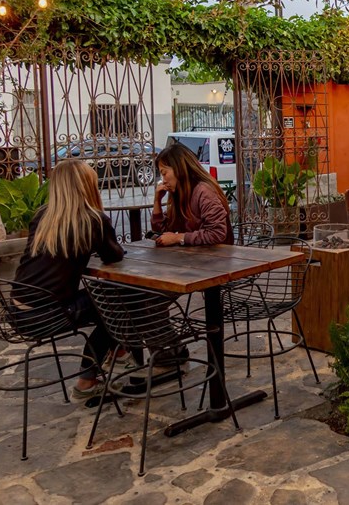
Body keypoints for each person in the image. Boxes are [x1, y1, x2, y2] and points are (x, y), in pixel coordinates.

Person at [12, 159, 125, 400]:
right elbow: (114, 256)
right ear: (86, 186)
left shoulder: (42, 215)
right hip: (48, 314)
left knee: (105, 298)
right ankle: (88, 380)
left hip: (16, 312)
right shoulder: (93, 220)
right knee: (116, 304)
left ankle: (119, 351)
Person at [151, 143, 233, 247]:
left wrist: (179, 238)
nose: (163, 180)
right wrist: (157, 201)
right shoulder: (180, 193)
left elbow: (217, 233)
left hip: (216, 257)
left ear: (178, 168)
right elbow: (163, 235)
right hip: (192, 257)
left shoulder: (204, 191)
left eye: (164, 173)